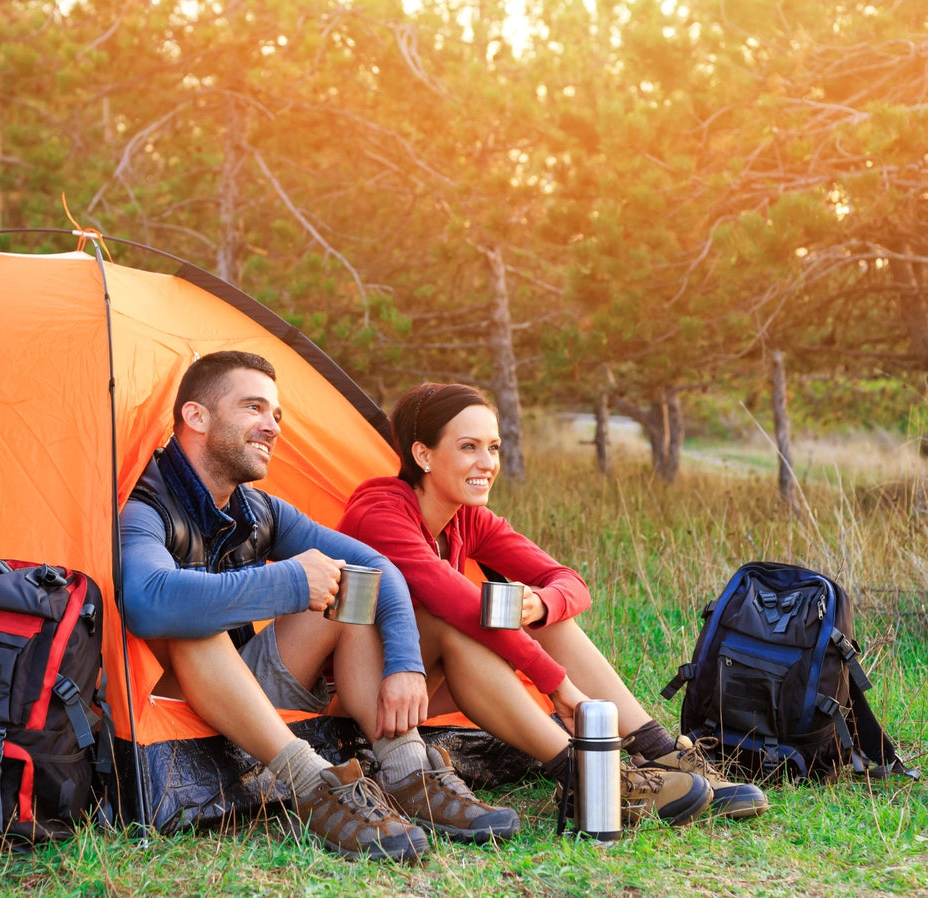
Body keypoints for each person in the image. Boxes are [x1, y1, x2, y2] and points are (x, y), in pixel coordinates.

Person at [119, 353, 520, 863]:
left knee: (352, 586)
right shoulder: (145, 507)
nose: (272, 426)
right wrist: (286, 581)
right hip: (168, 706)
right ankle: (314, 786)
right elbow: (148, 601)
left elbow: (378, 568)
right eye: (253, 408)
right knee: (191, 620)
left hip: (243, 688)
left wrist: (403, 663)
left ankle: (405, 770)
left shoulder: (256, 509)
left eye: (277, 415)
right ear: (196, 417)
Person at [337, 382, 770, 827]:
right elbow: (457, 604)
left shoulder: (466, 517)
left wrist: (540, 605)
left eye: (493, 447)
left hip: (417, 683)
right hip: (360, 688)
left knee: (542, 617)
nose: (487, 463)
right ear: (423, 455)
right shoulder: (381, 511)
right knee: (458, 621)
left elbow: (570, 582)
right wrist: (557, 685)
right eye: (468, 447)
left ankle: (658, 751)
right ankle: (591, 776)